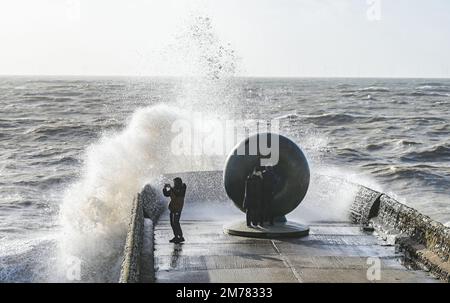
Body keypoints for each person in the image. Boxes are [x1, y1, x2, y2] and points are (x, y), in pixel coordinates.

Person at [163, 177, 187, 243]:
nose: (174, 184)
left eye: (175, 182)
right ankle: (176, 236)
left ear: (179, 182)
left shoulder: (182, 188)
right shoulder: (174, 189)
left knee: (176, 222)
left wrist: (171, 188)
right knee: (172, 223)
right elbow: (166, 194)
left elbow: (177, 194)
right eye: (174, 182)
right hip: (173, 208)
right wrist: (165, 188)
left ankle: (181, 237)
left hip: (177, 208)